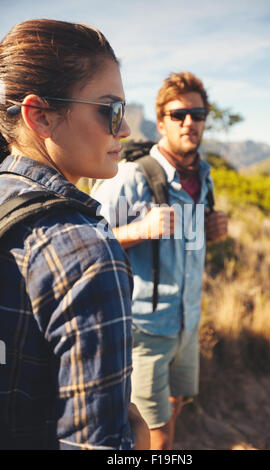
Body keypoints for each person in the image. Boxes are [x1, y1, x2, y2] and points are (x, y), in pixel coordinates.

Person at [0, 19, 149, 450]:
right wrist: (138, 445)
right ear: (40, 116)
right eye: (110, 110)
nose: (124, 130)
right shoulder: (87, 252)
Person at [91, 71, 228, 450]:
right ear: (161, 119)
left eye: (198, 115)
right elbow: (86, 244)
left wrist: (212, 232)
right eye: (178, 114)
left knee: (174, 406)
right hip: (145, 331)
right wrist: (138, 230)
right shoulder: (131, 177)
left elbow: (188, 248)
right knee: (156, 437)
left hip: (187, 323)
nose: (190, 123)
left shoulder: (204, 176)